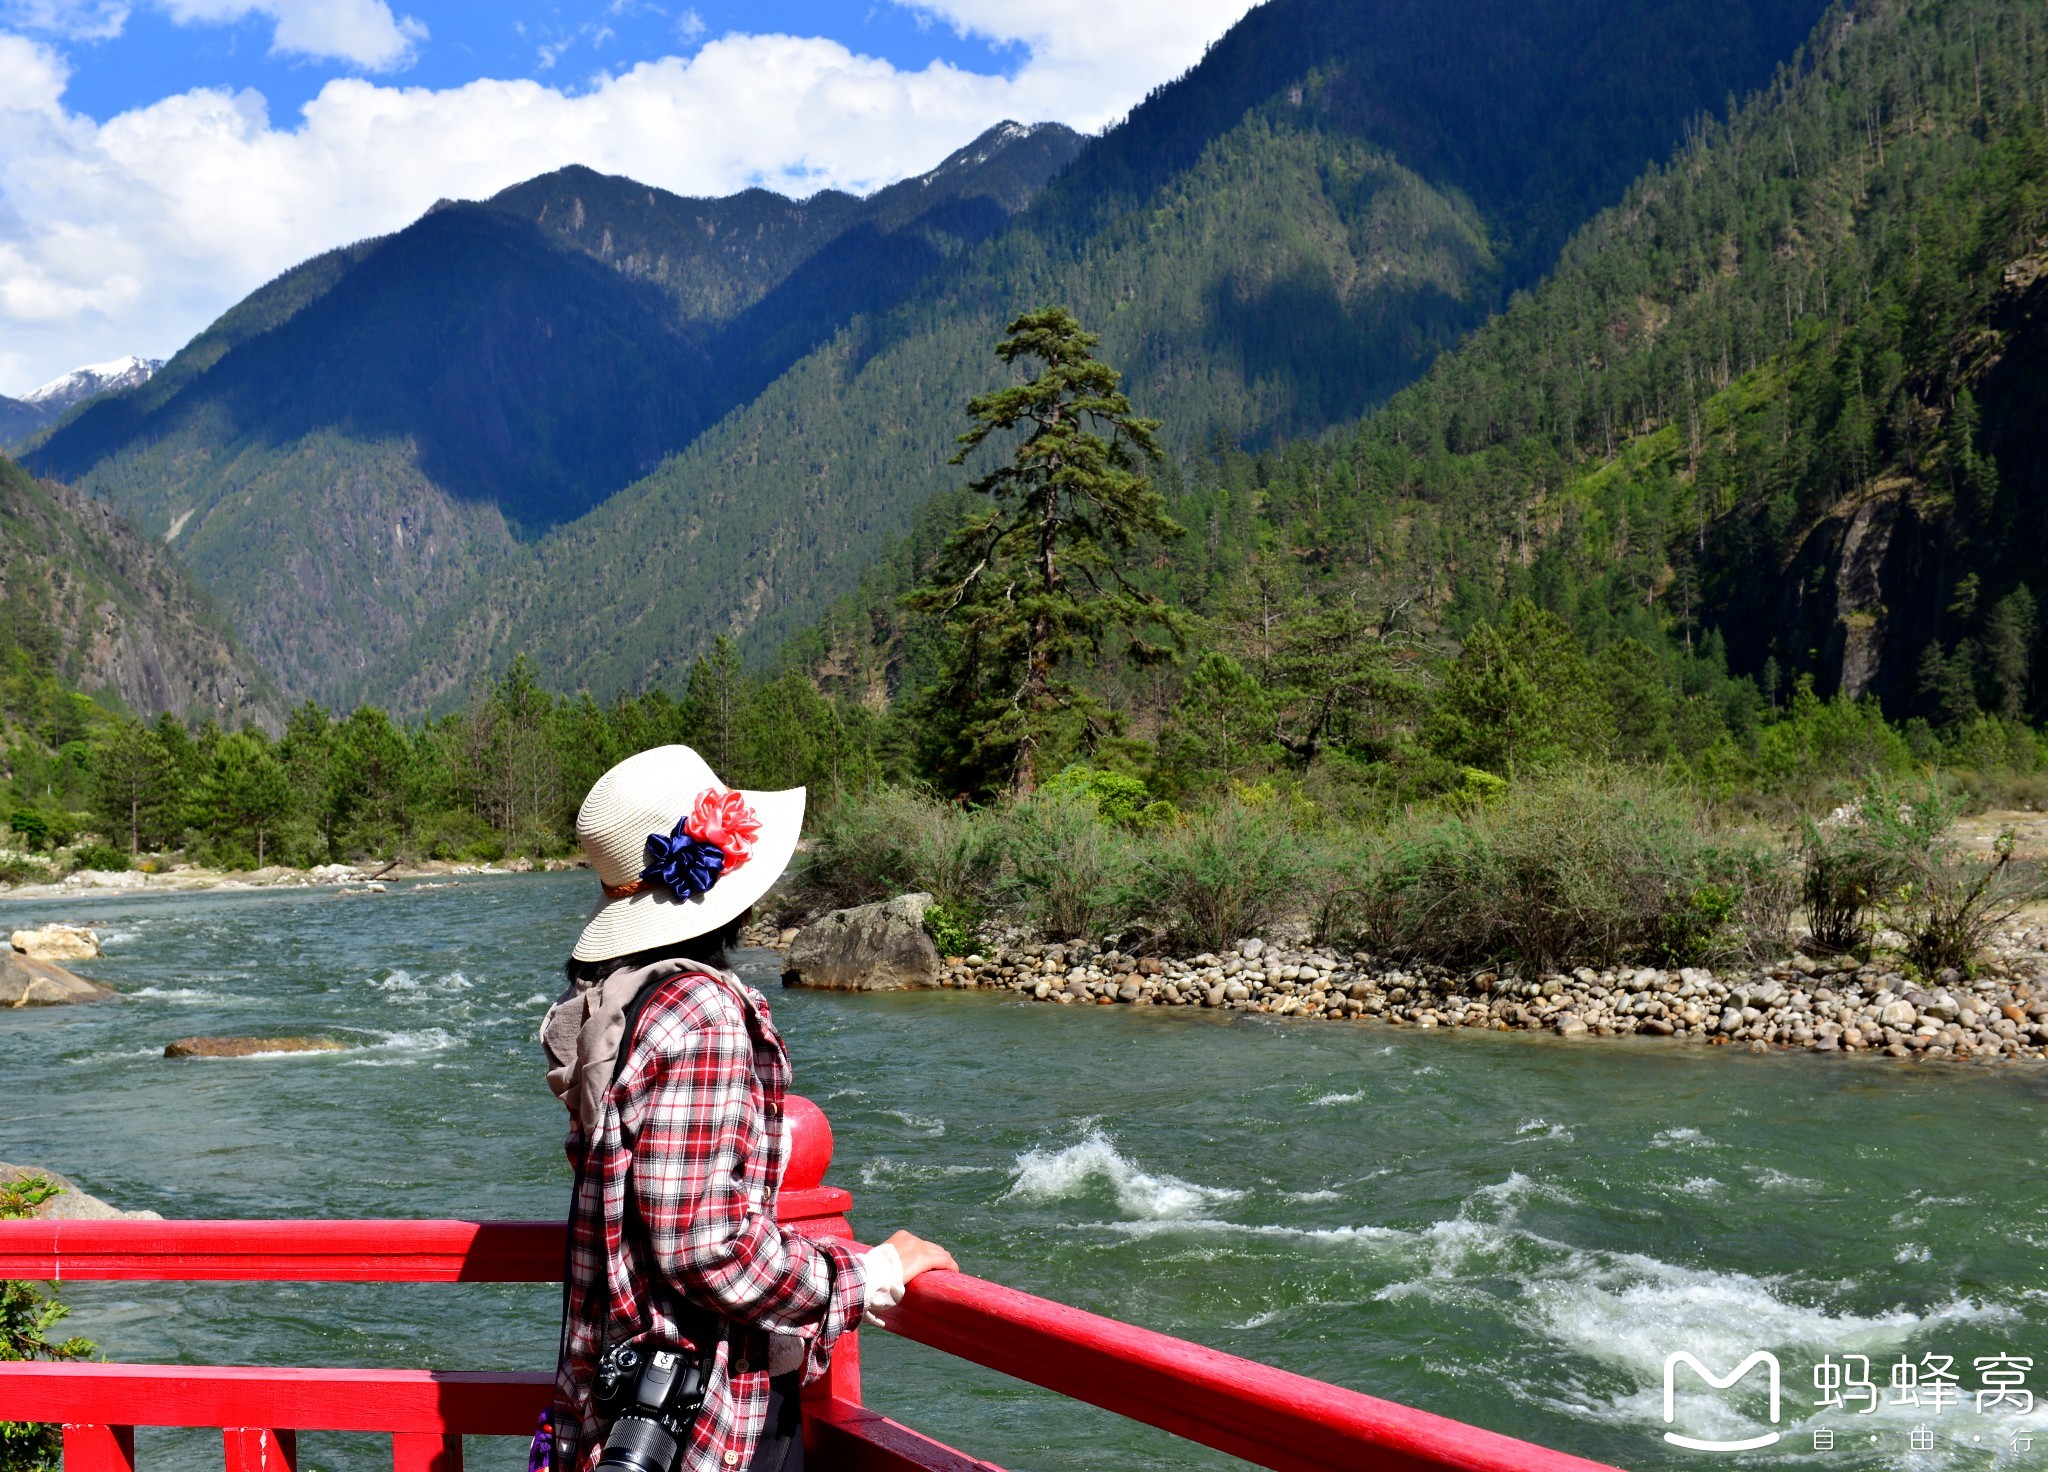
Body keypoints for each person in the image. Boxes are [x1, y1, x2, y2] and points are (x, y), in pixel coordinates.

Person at [540, 745, 955, 1472]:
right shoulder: (701, 1014)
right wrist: (873, 1273)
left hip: (622, 1407)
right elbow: (706, 1244)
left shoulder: (616, 1008)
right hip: (704, 1429)